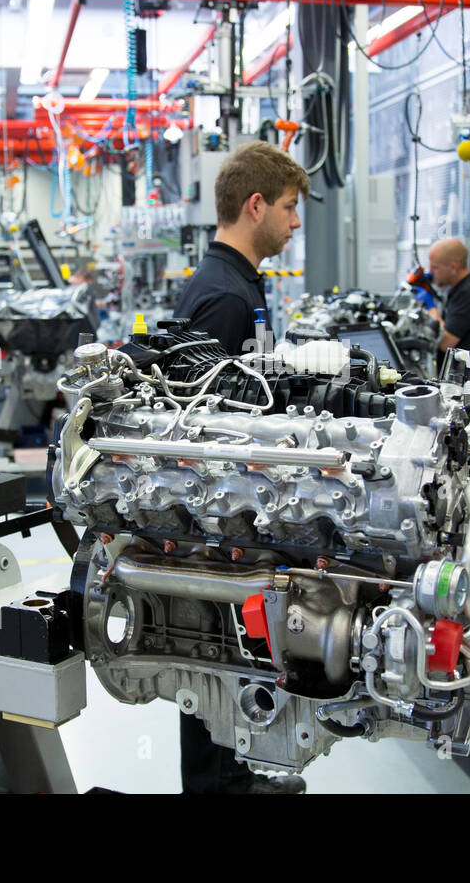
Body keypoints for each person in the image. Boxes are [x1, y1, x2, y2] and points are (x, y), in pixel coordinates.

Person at [171, 140, 310, 793]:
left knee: (230, 658)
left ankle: (232, 776)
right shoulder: (224, 298)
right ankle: (216, 785)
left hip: (229, 508)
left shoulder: (233, 285)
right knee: (213, 658)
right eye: (289, 207)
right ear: (255, 206)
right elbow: (201, 425)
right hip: (218, 514)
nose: (295, 221)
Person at [420, 238, 470, 368]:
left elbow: (446, 342)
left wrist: (430, 306)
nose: (431, 273)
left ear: (453, 267)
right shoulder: (461, 288)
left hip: (469, 382)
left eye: (435, 267)